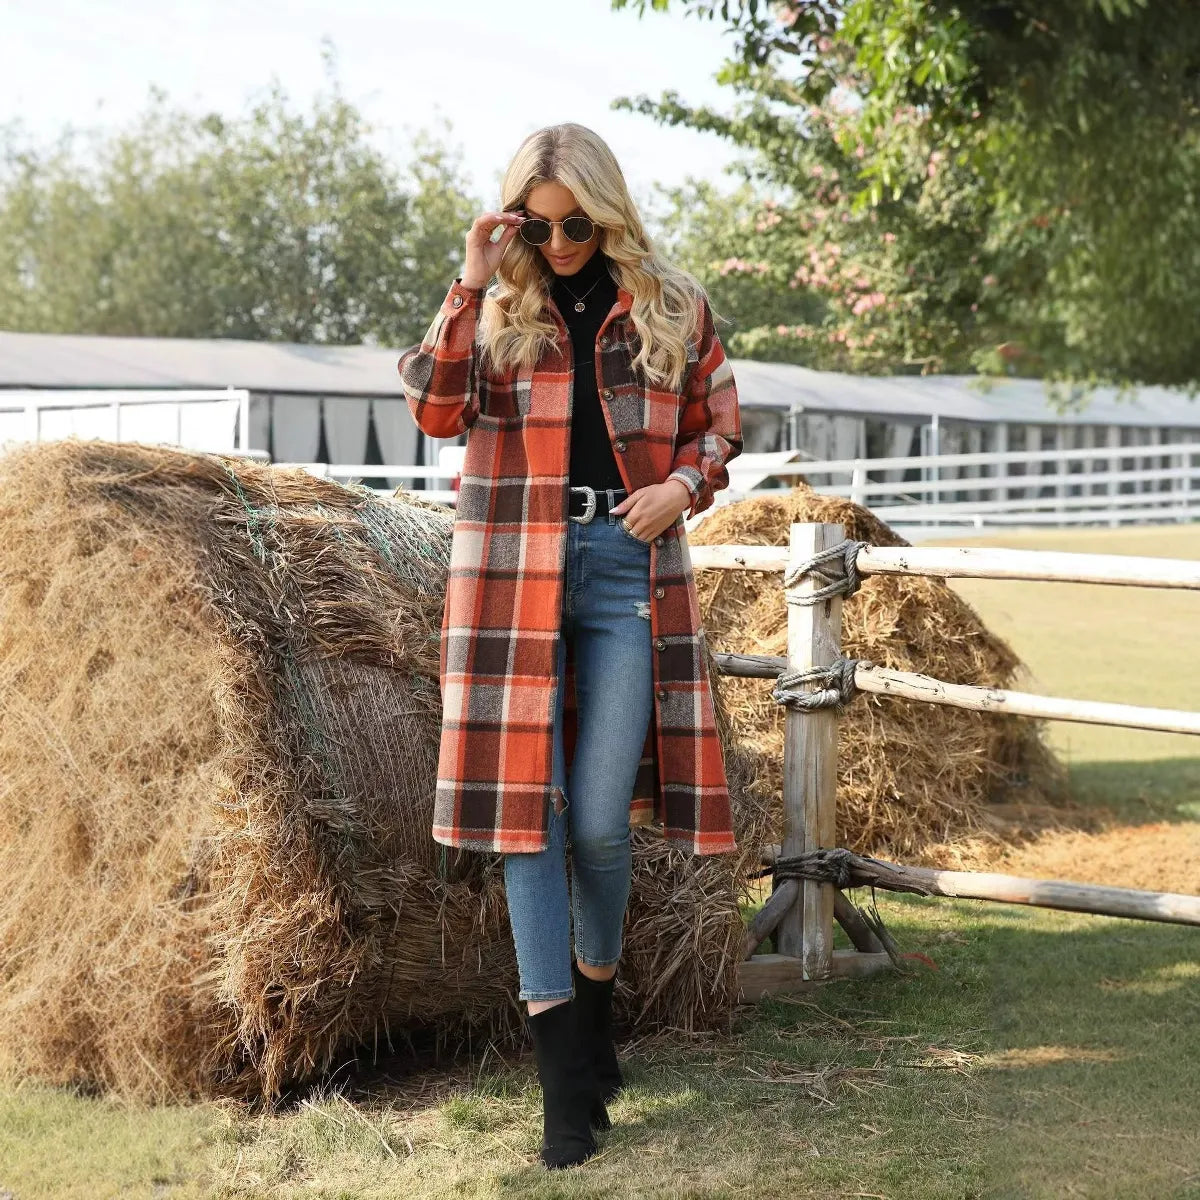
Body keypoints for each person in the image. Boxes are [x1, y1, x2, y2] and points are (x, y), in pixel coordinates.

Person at [399, 122, 742, 1170]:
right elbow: (435, 411)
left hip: (625, 569)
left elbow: (719, 425)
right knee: (526, 827)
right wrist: (470, 279)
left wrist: (682, 485)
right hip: (510, 575)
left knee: (598, 822)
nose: (557, 244)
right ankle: (563, 1085)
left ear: (608, 214)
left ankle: (594, 1024)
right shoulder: (495, 307)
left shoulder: (671, 304)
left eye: (576, 225)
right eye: (537, 226)